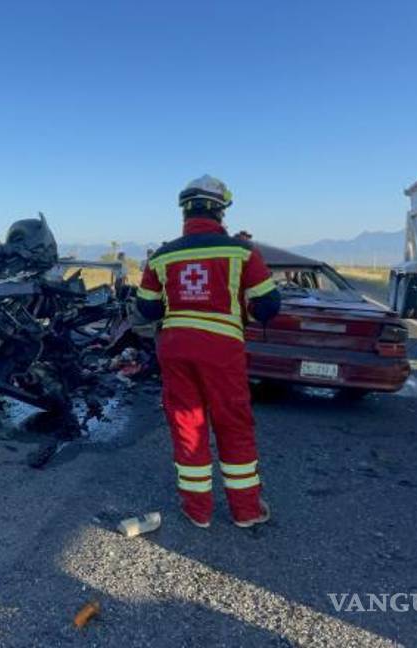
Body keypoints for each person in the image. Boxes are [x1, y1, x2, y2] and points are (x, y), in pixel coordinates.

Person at [136, 174, 281, 528]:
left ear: (185, 211)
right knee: (232, 424)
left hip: (175, 349)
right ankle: (246, 510)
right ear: (220, 210)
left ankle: (197, 510)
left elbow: (147, 309)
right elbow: (269, 306)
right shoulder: (243, 251)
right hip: (221, 352)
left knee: (187, 424)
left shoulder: (162, 255)